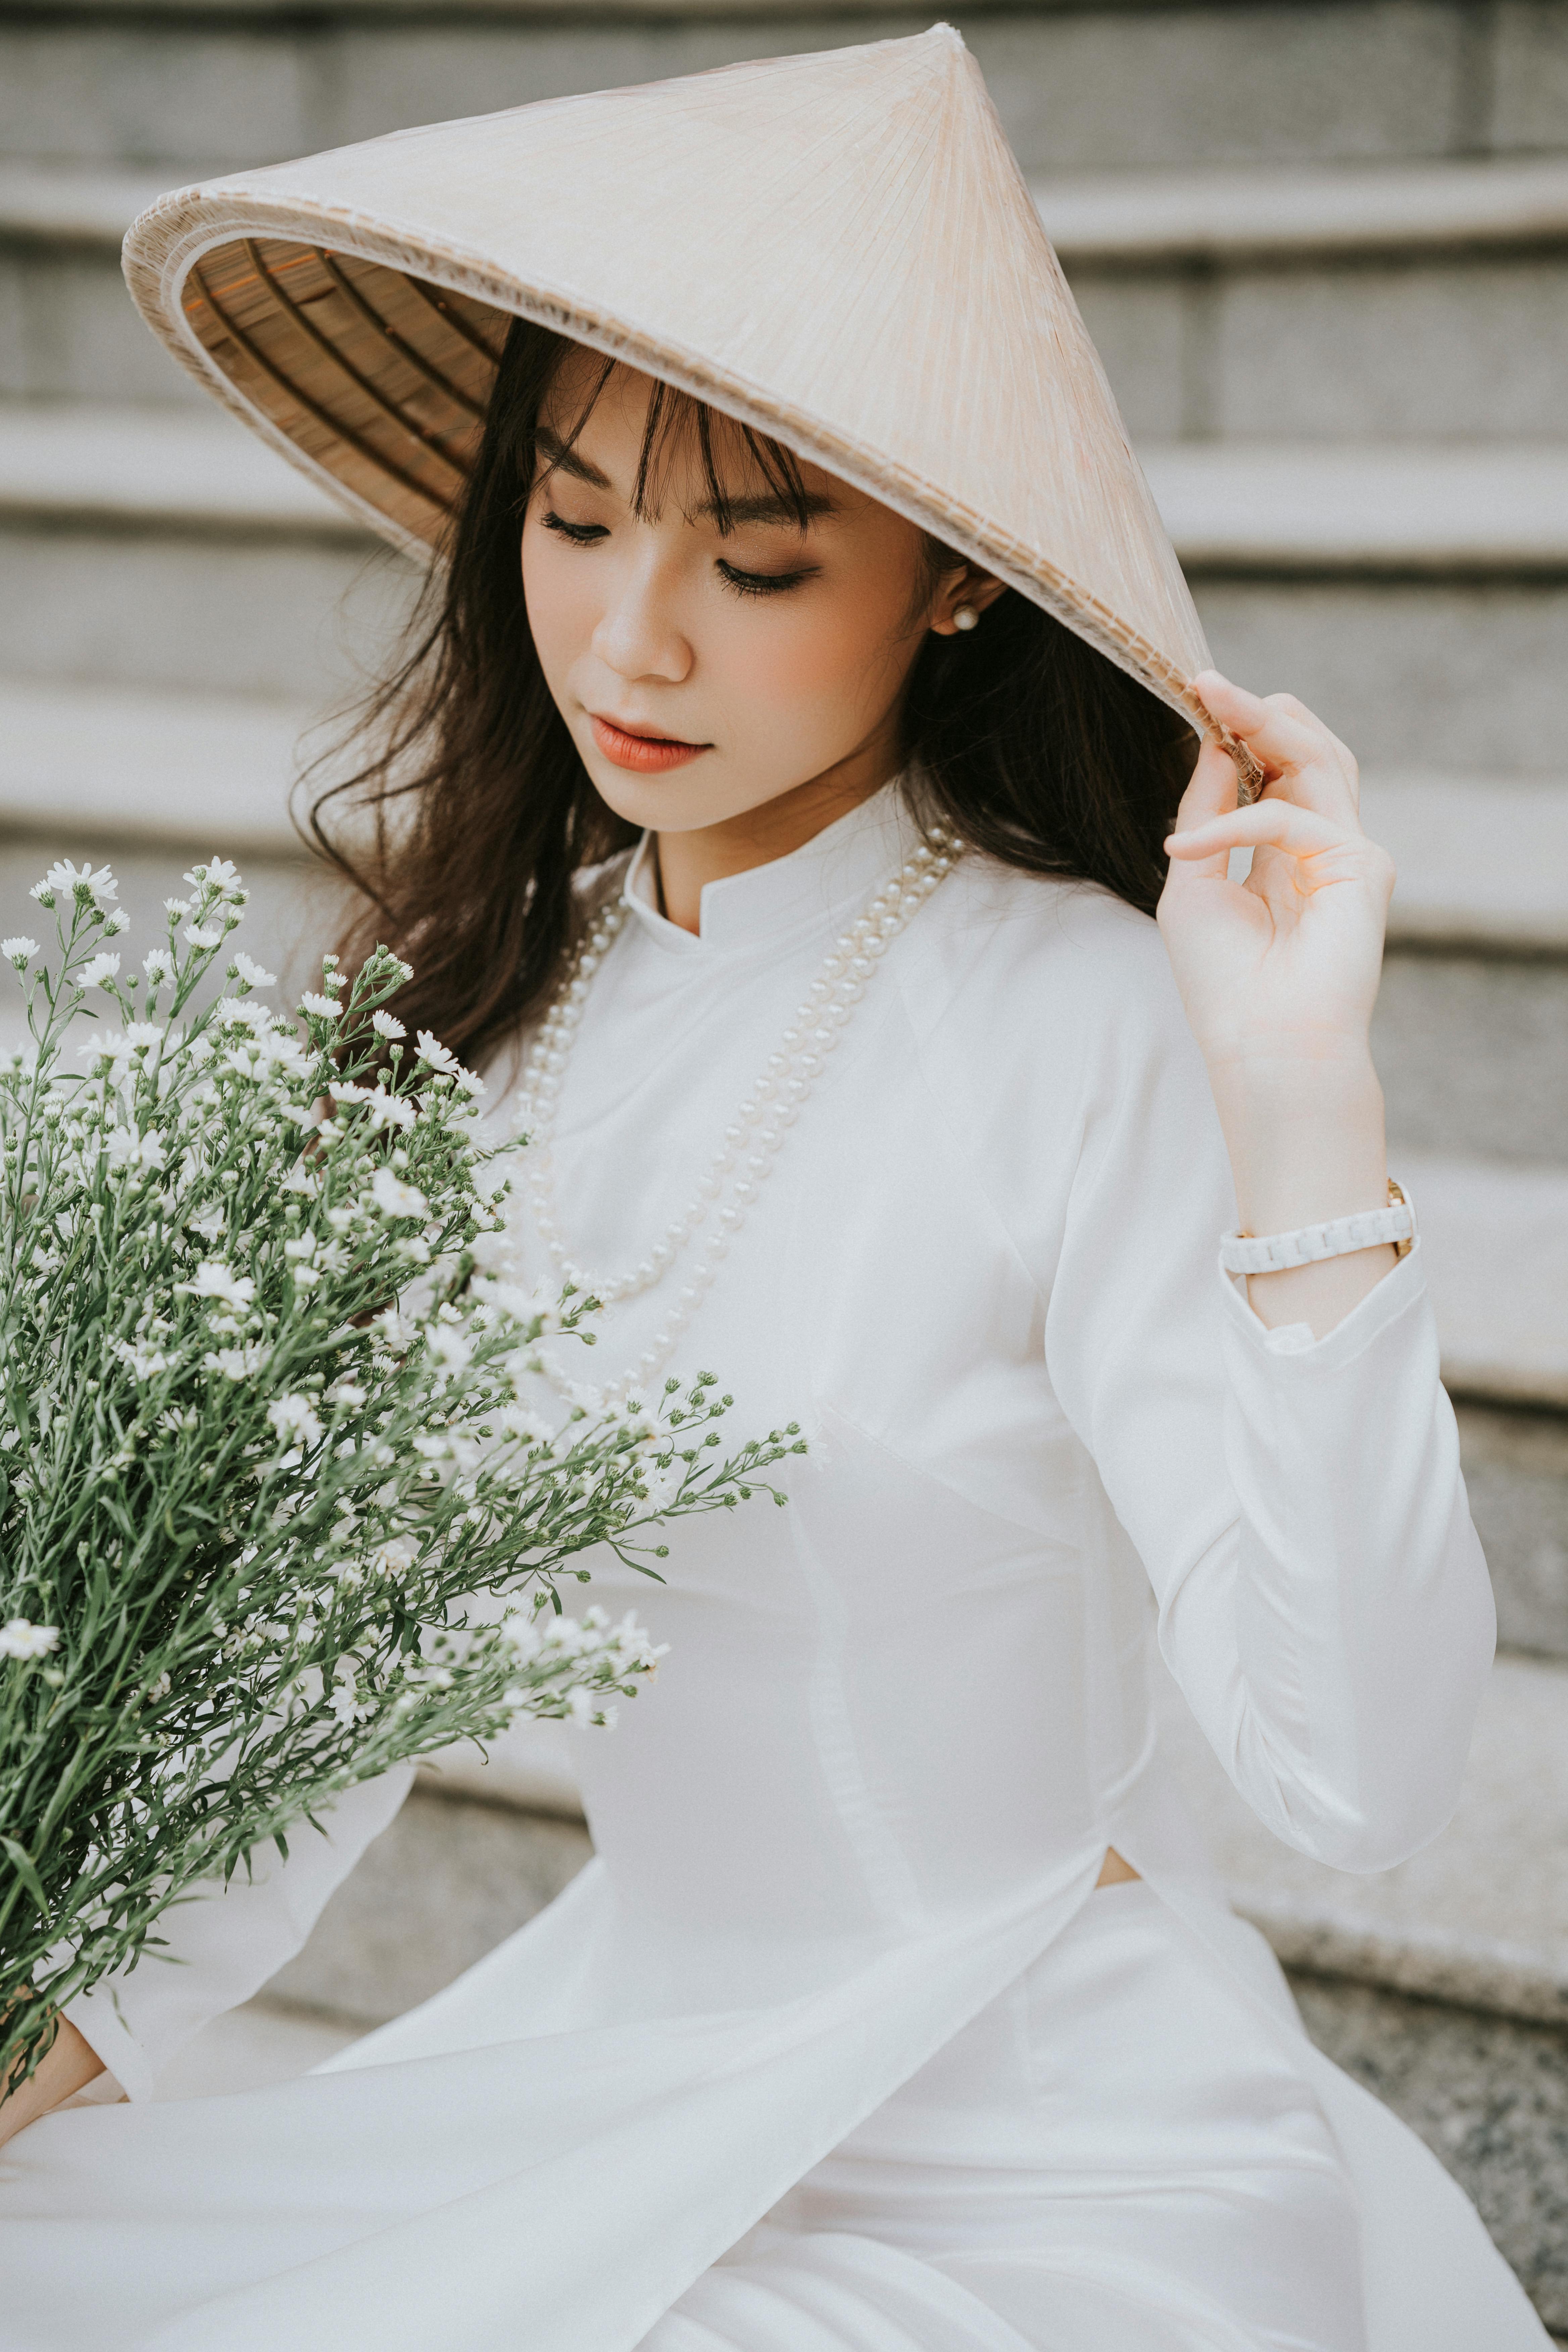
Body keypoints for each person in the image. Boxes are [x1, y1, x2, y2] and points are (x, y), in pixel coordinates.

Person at [0, 27, 1548, 2351]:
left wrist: (1300, 1095)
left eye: (755, 555)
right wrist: (45, 2039)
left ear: (952, 582)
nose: (634, 638)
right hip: (632, 2085)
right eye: (576, 519)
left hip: (1047, 2142)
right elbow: (320, 1720)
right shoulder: (491, 1011)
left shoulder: (1083, 1018)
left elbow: (1362, 1779)